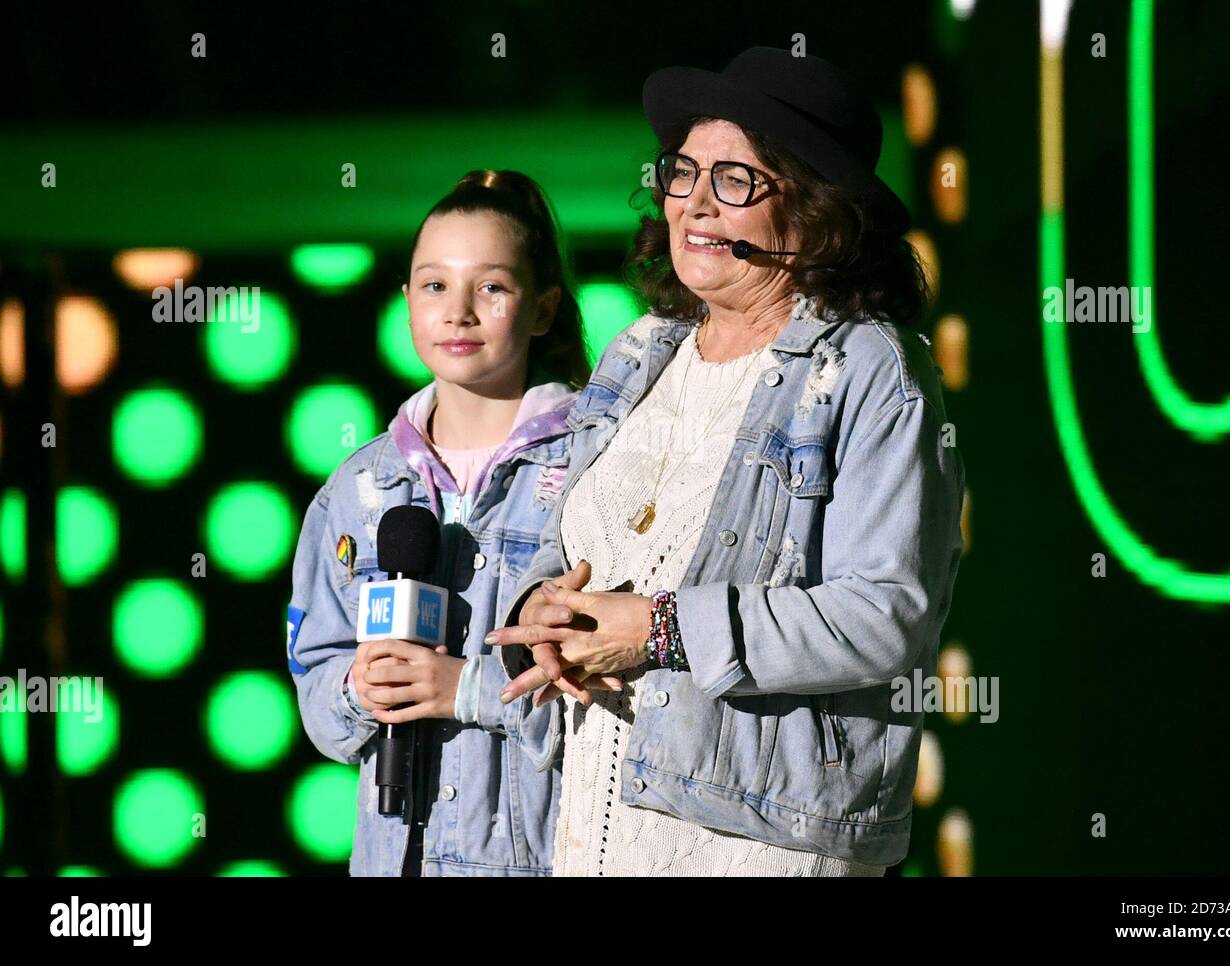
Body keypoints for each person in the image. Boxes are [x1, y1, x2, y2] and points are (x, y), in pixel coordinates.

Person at [488, 47, 965, 876]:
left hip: (751, 843)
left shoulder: (868, 368)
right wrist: (541, 609)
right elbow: (554, 539)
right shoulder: (640, 352)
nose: (695, 204)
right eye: (682, 173)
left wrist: (662, 631)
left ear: (817, 212)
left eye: (737, 180)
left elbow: (886, 614)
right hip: (592, 821)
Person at [286, 170, 594, 875]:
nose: (458, 311)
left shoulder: (598, 467)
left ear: (542, 308)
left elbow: (631, 698)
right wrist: (357, 691)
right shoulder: (359, 487)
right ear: (406, 302)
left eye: (490, 287)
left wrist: (468, 688)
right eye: (434, 285)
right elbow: (318, 695)